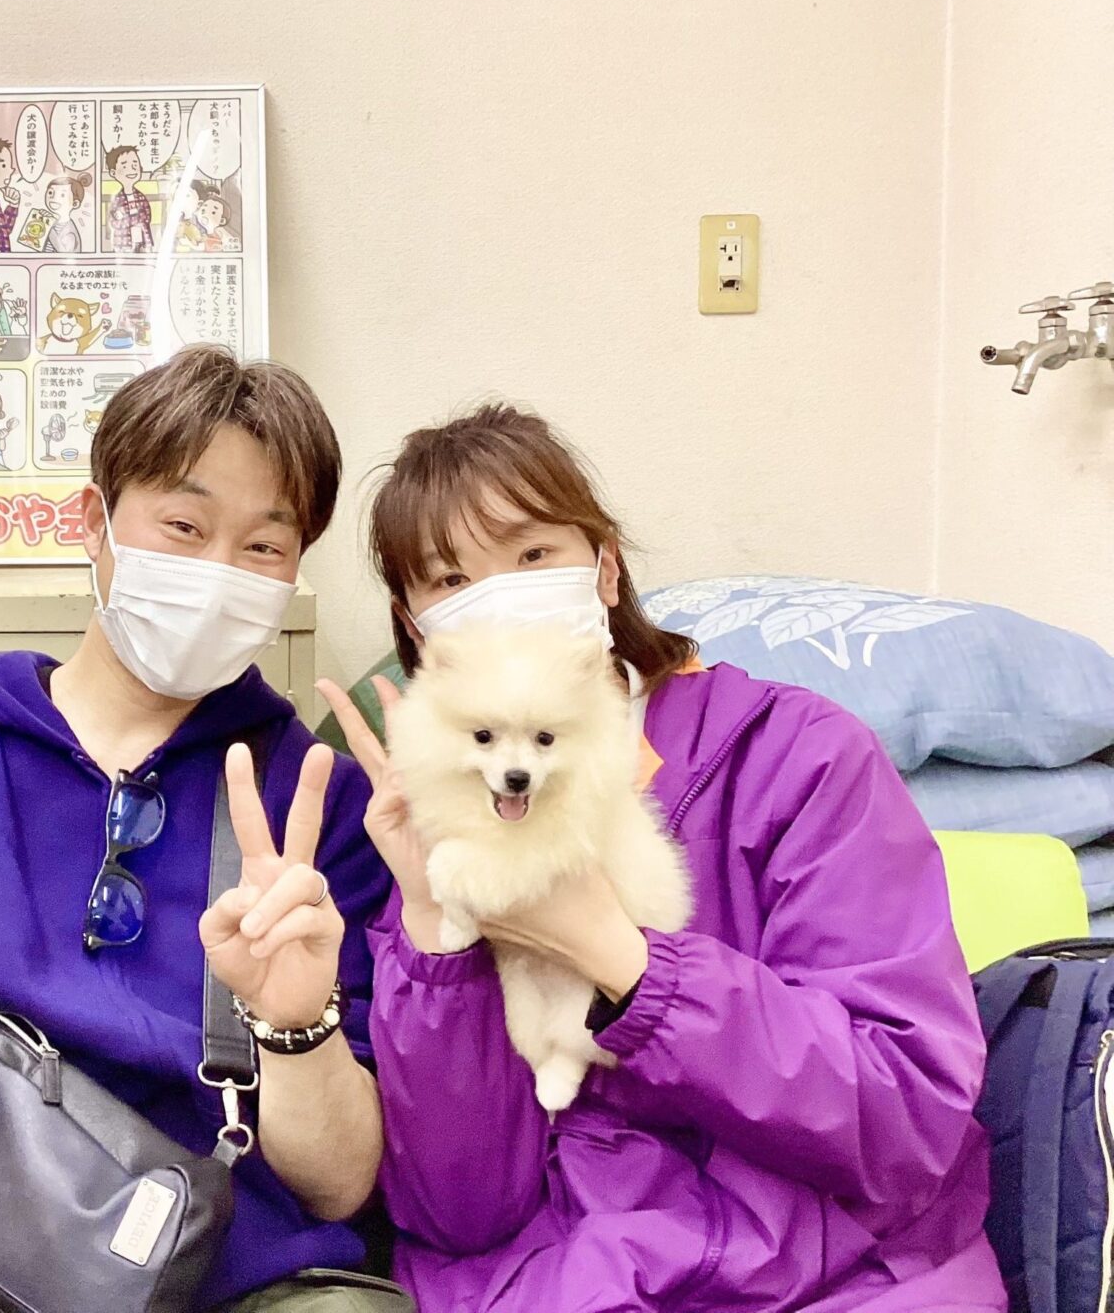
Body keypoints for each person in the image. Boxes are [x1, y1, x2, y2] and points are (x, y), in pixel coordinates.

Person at [317, 404, 1004, 1313]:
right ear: (416, 629)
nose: (500, 599)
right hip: (565, 1285)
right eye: (451, 580)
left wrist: (633, 968)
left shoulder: (798, 758)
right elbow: (456, 1214)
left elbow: (903, 1114)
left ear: (604, 567)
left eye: (532, 555)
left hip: (838, 1273)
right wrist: (435, 943)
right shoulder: (430, 823)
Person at [0, 346, 407, 1313]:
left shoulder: (317, 803)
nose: (217, 572)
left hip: (239, 1270)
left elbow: (338, 1187)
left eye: (262, 547)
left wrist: (296, 1028)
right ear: (95, 522)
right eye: (184, 526)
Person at [106, 144, 154, 253]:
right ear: (113, 173)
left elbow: (147, 216)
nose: (131, 170)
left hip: (142, 239)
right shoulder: (117, 200)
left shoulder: (140, 197)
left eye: (135, 165)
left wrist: (130, 219)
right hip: (123, 242)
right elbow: (115, 222)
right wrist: (134, 220)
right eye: (124, 166)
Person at [41, 172, 90, 253]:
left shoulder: (70, 231)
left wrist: (48, 226)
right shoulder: (53, 223)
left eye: (62, 195)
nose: (54, 197)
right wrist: (42, 221)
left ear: (75, 204)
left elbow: (64, 252)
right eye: (50, 192)